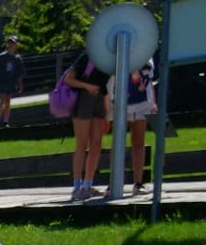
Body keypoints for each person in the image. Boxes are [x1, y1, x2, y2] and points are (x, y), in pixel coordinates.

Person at [64, 45, 110, 202]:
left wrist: (106, 113)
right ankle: (77, 186)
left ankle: (88, 184)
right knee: (82, 144)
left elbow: (105, 88)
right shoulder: (88, 55)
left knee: (96, 143)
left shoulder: (109, 59)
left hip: (99, 100)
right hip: (83, 100)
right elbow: (69, 79)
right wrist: (87, 86)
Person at [108, 58, 157, 195]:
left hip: (142, 102)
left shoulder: (146, 54)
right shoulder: (117, 51)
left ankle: (138, 183)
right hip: (120, 100)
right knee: (118, 142)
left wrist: (153, 102)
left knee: (138, 142)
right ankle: (113, 184)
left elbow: (149, 80)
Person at [0, 33, 24, 129]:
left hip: (11, 82)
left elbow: (19, 73)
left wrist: (20, 84)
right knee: (2, 99)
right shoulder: (2, 56)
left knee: (8, 100)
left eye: (13, 43)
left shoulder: (17, 58)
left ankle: (6, 121)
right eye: (9, 42)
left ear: (16, 45)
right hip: (2, 81)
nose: (11, 45)